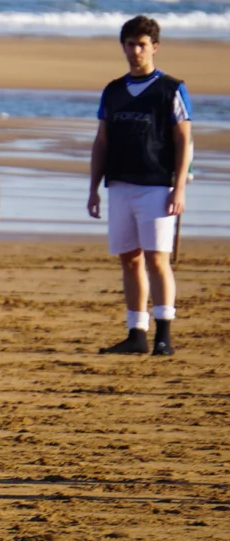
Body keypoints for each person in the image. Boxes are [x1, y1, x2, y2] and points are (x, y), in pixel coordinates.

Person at [88, 15, 192, 357]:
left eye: (142, 45)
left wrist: (179, 187)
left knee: (157, 259)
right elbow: (101, 141)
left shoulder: (171, 89)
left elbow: (184, 140)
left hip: (157, 186)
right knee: (129, 259)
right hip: (119, 184)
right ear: (123, 47)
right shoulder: (113, 91)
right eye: (130, 44)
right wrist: (93, 188)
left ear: (154, 47)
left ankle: (164, 335)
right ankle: (136, 333)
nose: (136, 51)